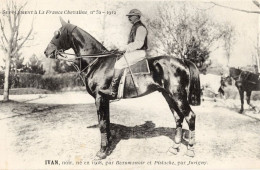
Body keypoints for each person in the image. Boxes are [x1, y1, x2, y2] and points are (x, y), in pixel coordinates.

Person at [99, 9, 148, 99]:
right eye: (128, 16)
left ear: (137, 16)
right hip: (134, 52)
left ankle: (113, 92)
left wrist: (125, 47)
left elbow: (139, 43)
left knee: (118, 64)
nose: (129, 18)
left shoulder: (140, 27)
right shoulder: (134, 27)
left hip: (139, 53)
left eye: (131, 16)